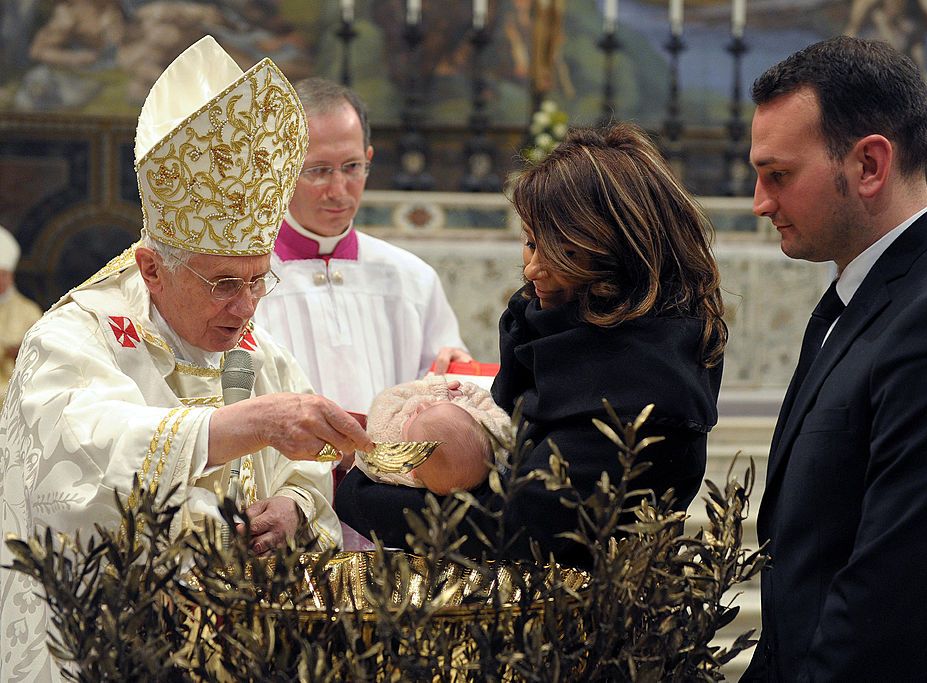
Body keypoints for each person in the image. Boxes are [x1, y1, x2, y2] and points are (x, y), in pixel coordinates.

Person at [0, 36, 373, 681]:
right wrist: (241, 428)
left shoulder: (255, 349)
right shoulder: (73, 339)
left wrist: (293, 508)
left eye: (260, 279)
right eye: (225, 282)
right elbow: (79, 464)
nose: (247, 305)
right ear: (152, 268)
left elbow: (304, 474)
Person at [741, 36, 927, 681]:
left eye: (778, 175)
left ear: (869, 165)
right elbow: (805, 573)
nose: (760, 202)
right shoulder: (862, 295)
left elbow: (889, 612)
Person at [336, 123, 726, 568]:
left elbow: (516, 527)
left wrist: (359, 495)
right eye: (530, 243)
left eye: (562, 252)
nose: (535, 269)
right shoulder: (555, 330)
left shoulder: (644, 374)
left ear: (614, 251)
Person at [253, 77, 470, 417]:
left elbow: (452, 393)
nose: (339, 190)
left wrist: (458, 380)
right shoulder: (245, 281)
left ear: (369, 158)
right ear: (280, 167)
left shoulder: (412, 279)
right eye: (319, 170)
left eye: (352, 167)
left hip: (393, 470)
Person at [357, 375, 512, 495]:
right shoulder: (491, 449)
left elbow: (385, 401)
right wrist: (464, 397)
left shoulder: (388, 446)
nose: (421, 406)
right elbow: (500, 422)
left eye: (415, 418)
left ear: (412, 470)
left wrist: (435, 389)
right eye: (434, 405)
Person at [0, 225, 43, 409]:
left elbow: (42, 354)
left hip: (15, 391)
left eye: (3, 275)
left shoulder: (29, 311)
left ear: (11, 275)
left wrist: (22, 351)